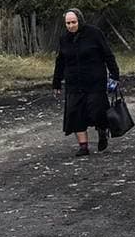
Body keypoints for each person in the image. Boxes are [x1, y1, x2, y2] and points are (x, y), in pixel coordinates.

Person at [51, 8, 121, 156]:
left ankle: (102, 130)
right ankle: (83, 146)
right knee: (75, 113)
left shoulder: (94, 33)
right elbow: (60, 61)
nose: (71, 26)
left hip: (94, 80)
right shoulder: (64, 38)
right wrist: (56, 82)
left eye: (73, 22)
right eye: (68, 23)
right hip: (74, 82)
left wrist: (115, 74)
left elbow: (108, 54)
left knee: (97, 111)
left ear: (80, 20)